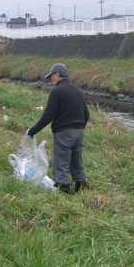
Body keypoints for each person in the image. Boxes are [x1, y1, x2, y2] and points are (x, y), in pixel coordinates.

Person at [27, 62, 89, 192]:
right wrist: (80, 127)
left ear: (57, 74)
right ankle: (81, 185)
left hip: (64, 132)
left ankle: (63, 188)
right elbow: (86, 114)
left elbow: (49, 115)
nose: (50, 80)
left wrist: (34, 130)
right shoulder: (78, 91)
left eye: (51, 76)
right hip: (79, 132)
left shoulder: (57, 91)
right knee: (77, 161)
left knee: (61, 162)